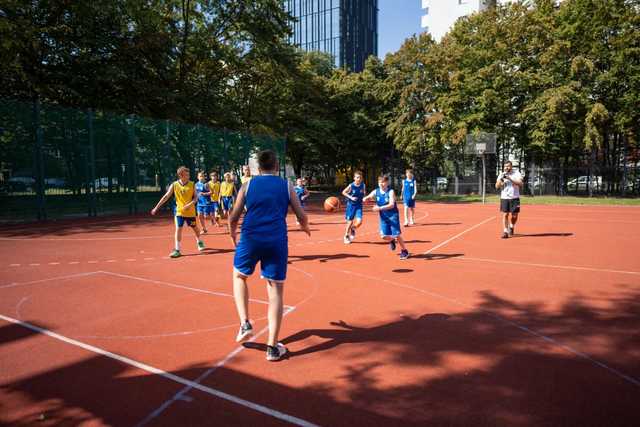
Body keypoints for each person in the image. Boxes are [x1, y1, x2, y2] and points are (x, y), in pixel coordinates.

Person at [229, 150, 310, 361]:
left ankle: (245, 322)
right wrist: (304, 226)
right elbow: (301, 214)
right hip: (276, 241)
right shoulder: (286, 185)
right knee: (275, 290)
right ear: (276, 166)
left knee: (239, 276)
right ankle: (272, 348)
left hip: (251, 238)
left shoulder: (248, 185)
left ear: (258, 168)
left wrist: (232, 234)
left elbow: (234, 216)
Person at [151, 166, 205, 258]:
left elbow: (196, 198)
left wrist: (189, 204)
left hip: (190, 212)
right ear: (181, 175)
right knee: (178, 228)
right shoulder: (174, 185)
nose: (188, 176)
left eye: (188, 174)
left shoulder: (192, 184)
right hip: (179, 211)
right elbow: (166, 196)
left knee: (195, 228)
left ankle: (199, 240)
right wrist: (156, 207)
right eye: (186, 175)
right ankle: (177, 249)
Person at [363, 174, 409, 260]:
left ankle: (404, 251)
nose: (381, 184)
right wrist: (365, 198)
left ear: (387, 183)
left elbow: (391, 205)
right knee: (383, 236)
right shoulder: (376, 191)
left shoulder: (391, 192)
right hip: (383, 217)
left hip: (393, 216)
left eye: (383, 182)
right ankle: (391, 240)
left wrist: (379, 208)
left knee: (397, 234)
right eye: (379, 182)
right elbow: (369, 197)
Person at [495, 161, 523, 238]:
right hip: (504, 197)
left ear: (511, 167)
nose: (506, 168)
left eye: (508, 166)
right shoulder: (501, 174)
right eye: (505, 166)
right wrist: (501, 182)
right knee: (505, 214)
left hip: (514, 197)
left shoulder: (516, 173)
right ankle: (505, 231)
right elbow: (496, 186)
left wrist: (510, 179)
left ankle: (511, 226)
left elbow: (521, 184)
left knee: (514, 216)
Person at [341, 171, 365, 244]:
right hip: (351, 206)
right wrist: (351, 197)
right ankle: (346, 236)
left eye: (360, 178)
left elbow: (363, 193)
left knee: (359, 222)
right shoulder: (351, 185)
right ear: (354, 178)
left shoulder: (363, 185)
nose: (359, 179)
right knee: (350, 221)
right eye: (357, 177)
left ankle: (353, 228)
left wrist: (364, 198)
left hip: (359, 205)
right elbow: (343, 192)